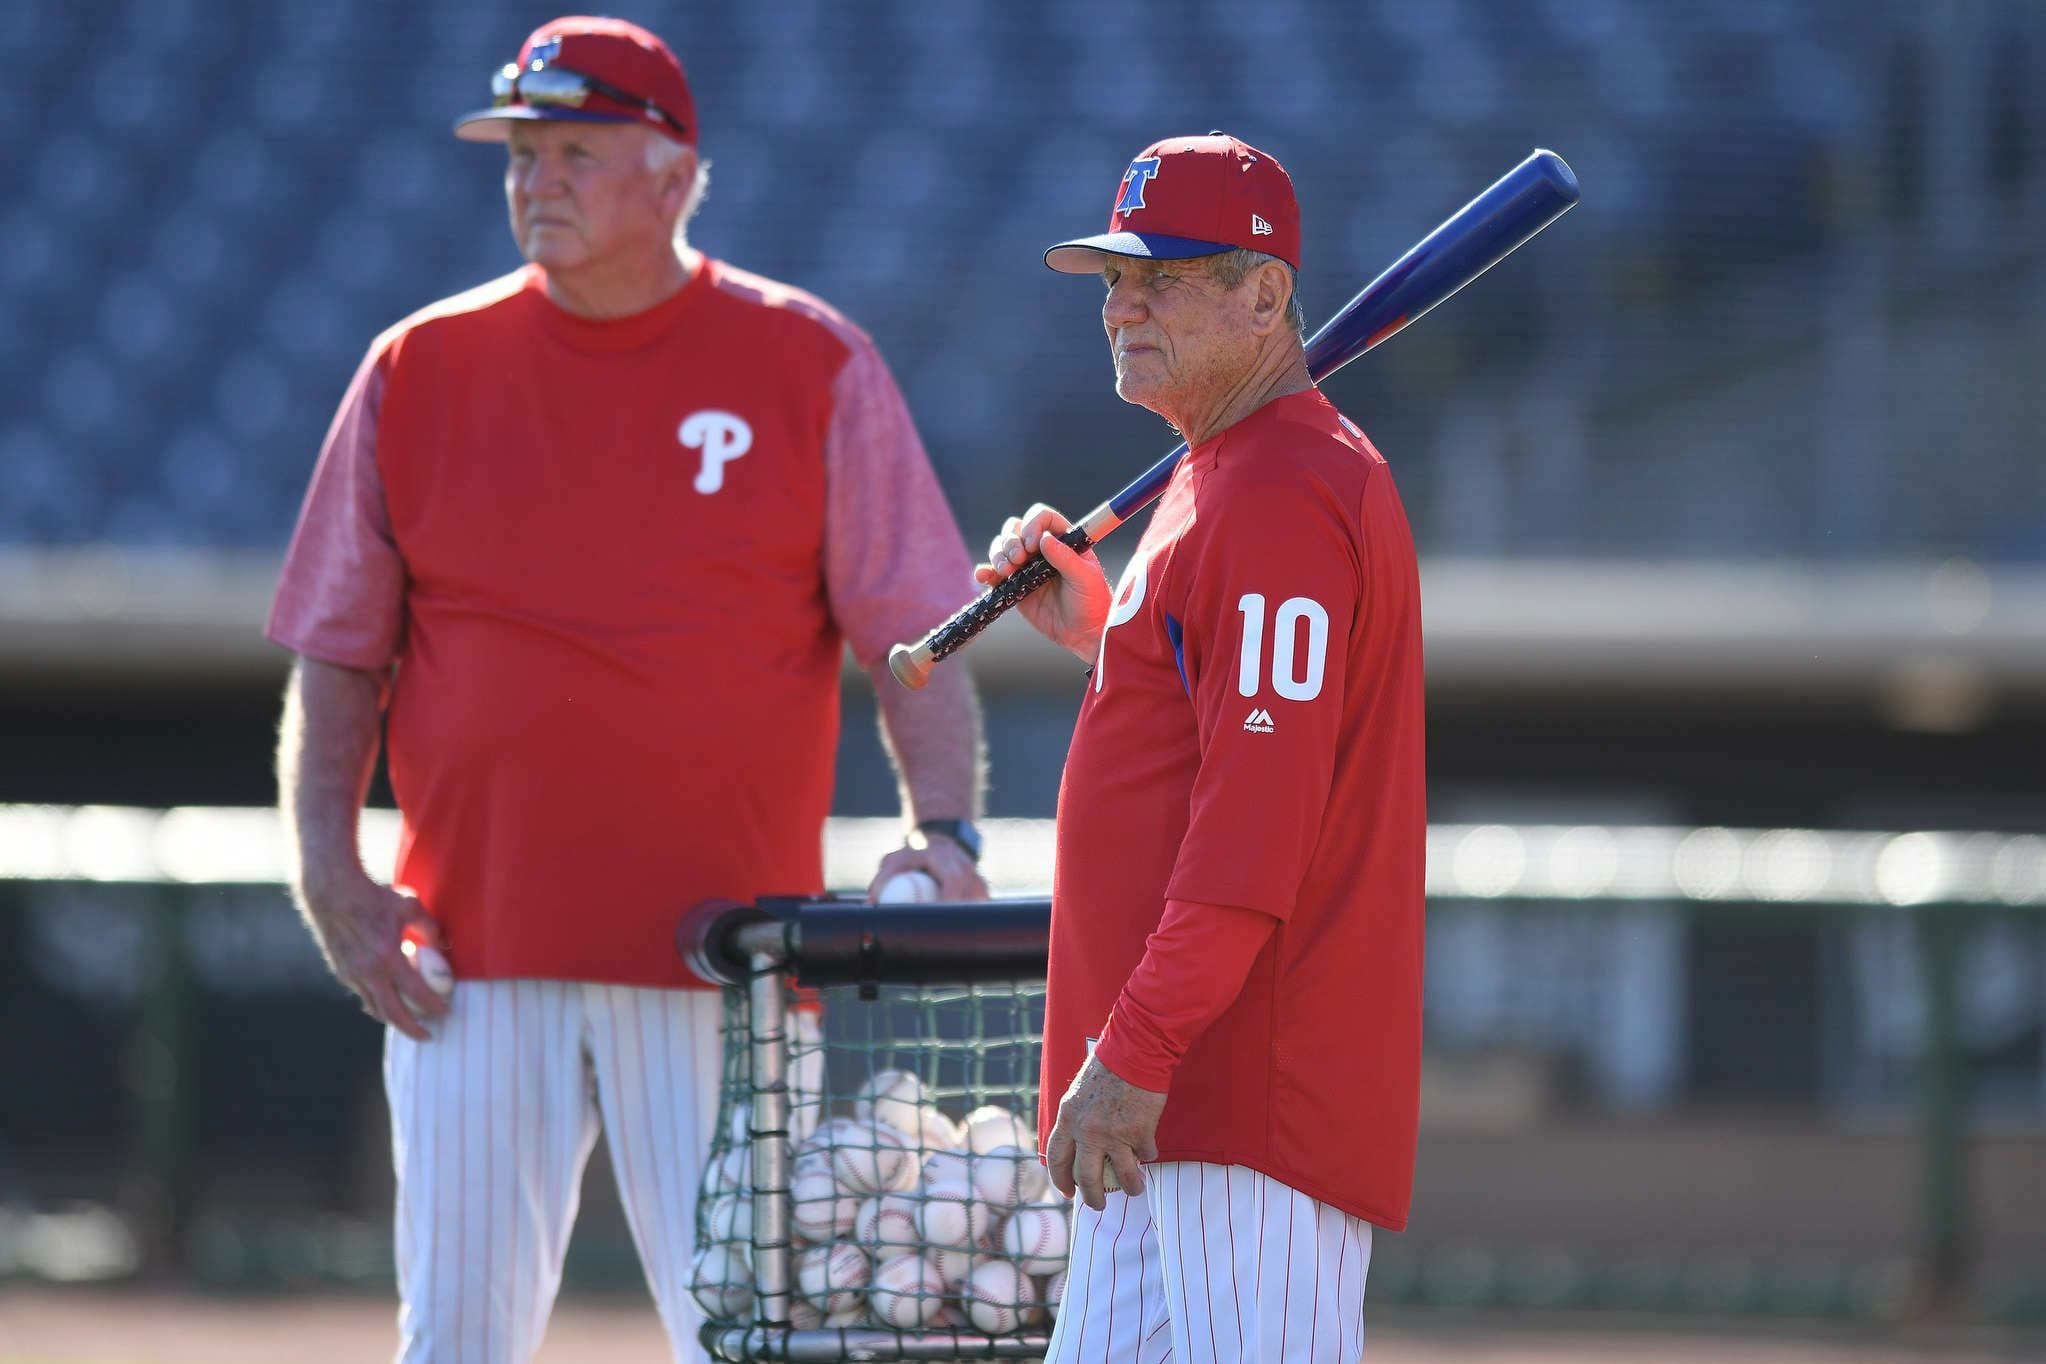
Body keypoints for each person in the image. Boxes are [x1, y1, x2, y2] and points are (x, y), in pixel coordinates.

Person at [266, 17, 987, 1362]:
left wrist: (941, 829)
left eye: (574, 153)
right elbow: (337, 653)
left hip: (727, 959)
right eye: (522, 154)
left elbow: (917, 634)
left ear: (672, 177)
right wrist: (330, 880)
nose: (535, 179)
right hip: (469, 961)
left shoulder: (808, 360)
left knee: (749, 1340)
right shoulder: (416, 367)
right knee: (456, 1342)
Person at [978, 133, 1426, 1360]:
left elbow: (1253, 835)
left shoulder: (1284, 485)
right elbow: (1215, 721)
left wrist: (1134, 1050)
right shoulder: (1232, 472)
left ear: (1264, 293)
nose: (1122, 302)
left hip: (1238, 1095)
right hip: (1177, 1108)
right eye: (1115, 277)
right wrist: (1110, 630)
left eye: (1164, 275)